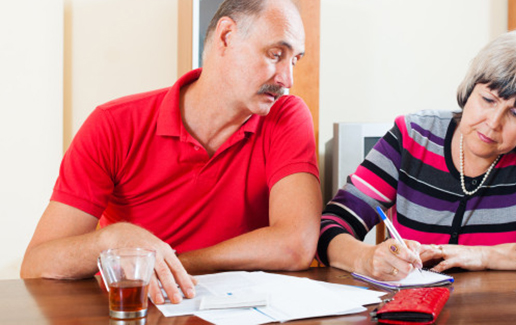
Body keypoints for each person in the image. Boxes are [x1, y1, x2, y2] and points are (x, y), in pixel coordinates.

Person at [21, 0, 321, 305]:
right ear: (226, 37)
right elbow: (37, 264)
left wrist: (168, 264)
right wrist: (111, 240)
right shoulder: (113, 124)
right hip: (140, 310)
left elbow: (295, 245)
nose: (287, 80)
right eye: (275, 55)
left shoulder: (287, 116)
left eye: (294, 60)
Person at [317, 29, 516, 280]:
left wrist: (488, 256)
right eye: (488, 99)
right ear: (469, 90)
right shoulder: (411, 137)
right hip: (409, 312)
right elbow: (330, 227)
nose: (493, 123)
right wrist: (367, 258)